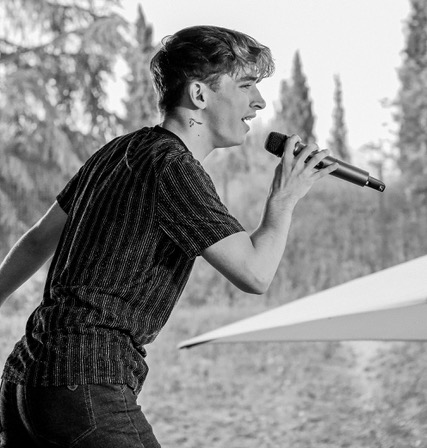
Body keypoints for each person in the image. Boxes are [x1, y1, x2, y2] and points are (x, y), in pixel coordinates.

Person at [0, 25, 337, 447]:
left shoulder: (119, 150)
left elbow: (37, 241)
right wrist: (284, 197)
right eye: (246, 85)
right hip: (85, 382)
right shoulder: (173, 167)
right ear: (199, 94)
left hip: (25, 380)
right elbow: (255, 273)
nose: (259, 101)